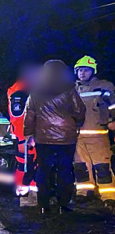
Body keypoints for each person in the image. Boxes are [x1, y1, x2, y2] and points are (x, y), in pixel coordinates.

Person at [23, 60, 86, 216]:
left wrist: (29, 134)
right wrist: (75, 125)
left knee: (43, 170)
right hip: (67, 138)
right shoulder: (70, 89)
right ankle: (63, 205)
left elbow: (29, 116)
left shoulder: (36, 91)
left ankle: (43, 205)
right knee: (65, 170)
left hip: (43, 138)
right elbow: (80, 111)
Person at [72, 55, 115, 210]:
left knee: (102, 166)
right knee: (81, 167)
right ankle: (84, 192)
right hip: (78, 136)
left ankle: (108, 196)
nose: (82, 73)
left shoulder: (105, 87)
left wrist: (113, 121)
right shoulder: (72, 89)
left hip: (99, 134)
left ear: (93, 71)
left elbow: (113, 106)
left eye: (86, 70)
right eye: (80, 70)